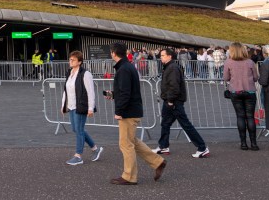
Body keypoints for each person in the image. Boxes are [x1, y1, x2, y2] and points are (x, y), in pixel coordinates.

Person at [108, 42, 166, 185]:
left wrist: (119, 111)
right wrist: (114, 94)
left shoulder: (123, 69)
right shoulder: (127, 67)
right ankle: (158, 162)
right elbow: (126, 90)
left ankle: (129, 176)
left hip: (128, 112)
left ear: (114, 53)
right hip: (133, 110)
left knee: (125, 144)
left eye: (111, 52)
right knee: (133, 141)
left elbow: (126, 93)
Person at [152, 48, 209, 158]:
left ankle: (202, 147)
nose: (161, 57)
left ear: (170, 56)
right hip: (170, 100)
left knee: (185, 124)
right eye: (161, 55)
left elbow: (174, 86)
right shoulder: (169, 67)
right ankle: (163, 146)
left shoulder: (172, 68)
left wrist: (170, 101)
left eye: (163, 55)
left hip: (173, 101)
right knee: (165, 123)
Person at [60, 50, 102, 165]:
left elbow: (90, 92)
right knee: (77, 129)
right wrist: (63, 104)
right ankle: (95, 148)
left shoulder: (85, 74)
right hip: (72, 105)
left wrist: (90, 107)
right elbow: (66, 90)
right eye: (70, 59)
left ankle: (78, 156)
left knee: (79, 130)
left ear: (79, 62)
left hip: (81, 105)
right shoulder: (69, 72)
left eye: (73, 60)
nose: (70, 61)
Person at [223, 42, 259, 150]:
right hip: (250, 91)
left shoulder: (228, 62)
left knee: (240, 116)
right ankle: (254, 143)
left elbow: (225, 78)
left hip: (236, 92)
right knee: (250, 117)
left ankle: (243, 143)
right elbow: (256, 77)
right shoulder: (250, 62)